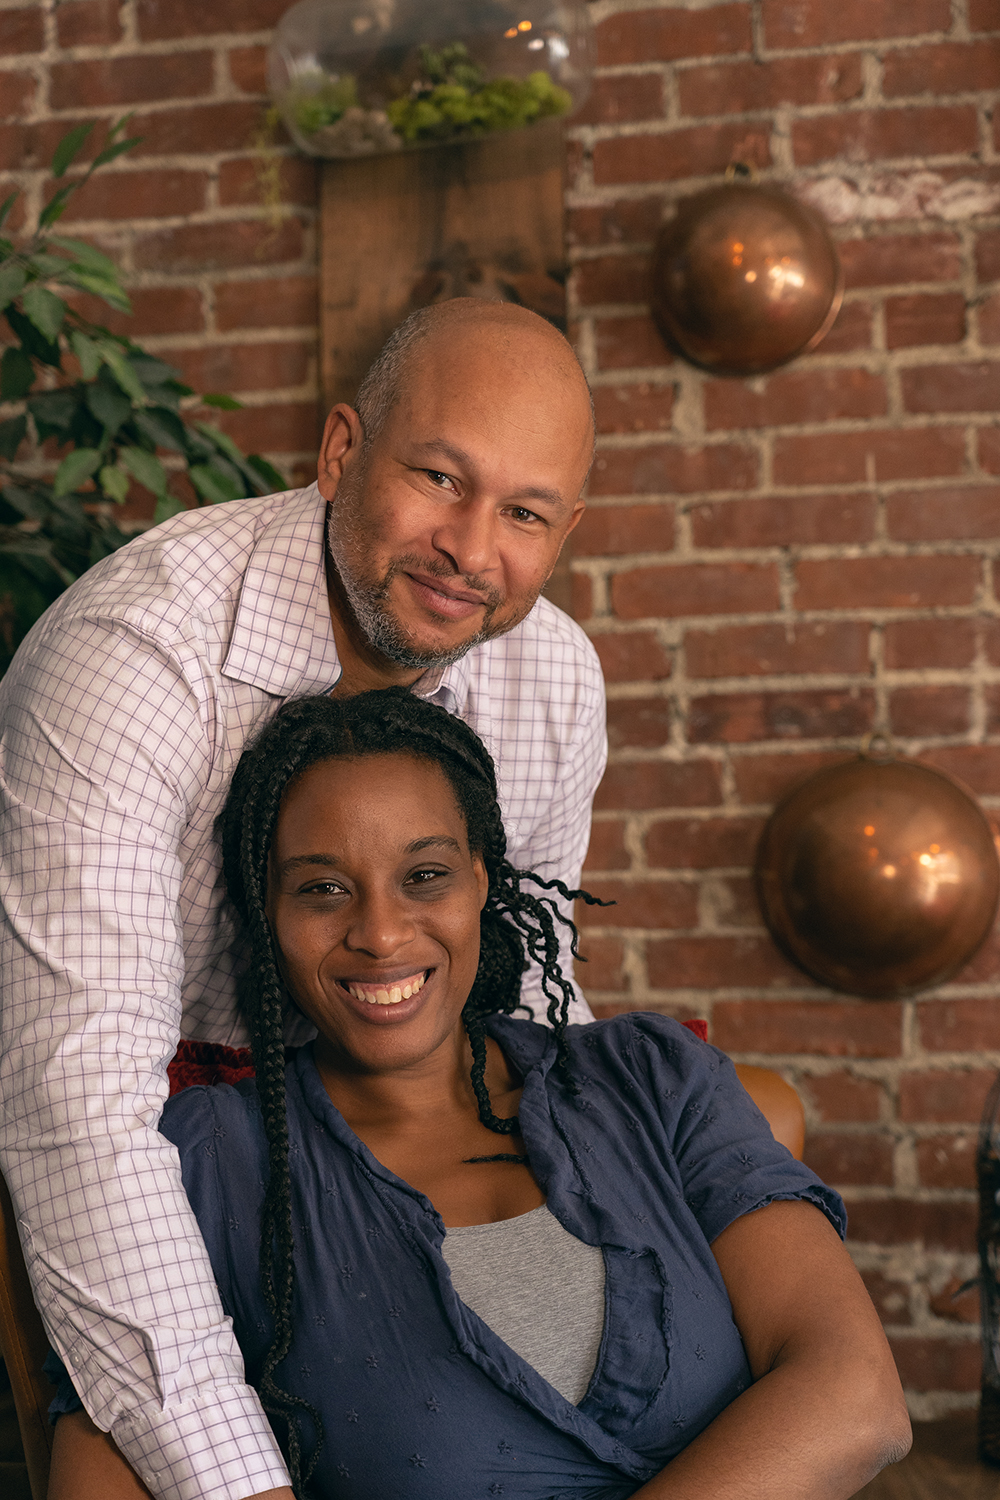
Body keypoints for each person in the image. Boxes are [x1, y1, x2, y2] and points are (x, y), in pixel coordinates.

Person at [0, 300, 606, 1499]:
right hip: (171, 1132)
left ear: (565, 530)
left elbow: (528, 994)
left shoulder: (551, 674)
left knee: (743, 1134)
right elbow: (76, 1102)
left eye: (525, 514)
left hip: (405, 1121)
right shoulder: (139, 659)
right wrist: (240, 1483)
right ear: (340, 452)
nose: (471, 550)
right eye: (440, 477)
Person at [48, 688, 910, 1500]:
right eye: (321, 889)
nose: (381, 933)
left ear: (482, 883)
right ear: (265, 915)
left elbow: (856, 1394)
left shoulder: (651, 1077)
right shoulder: (201, 1159)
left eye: (424, 876)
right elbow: (107, 1449)